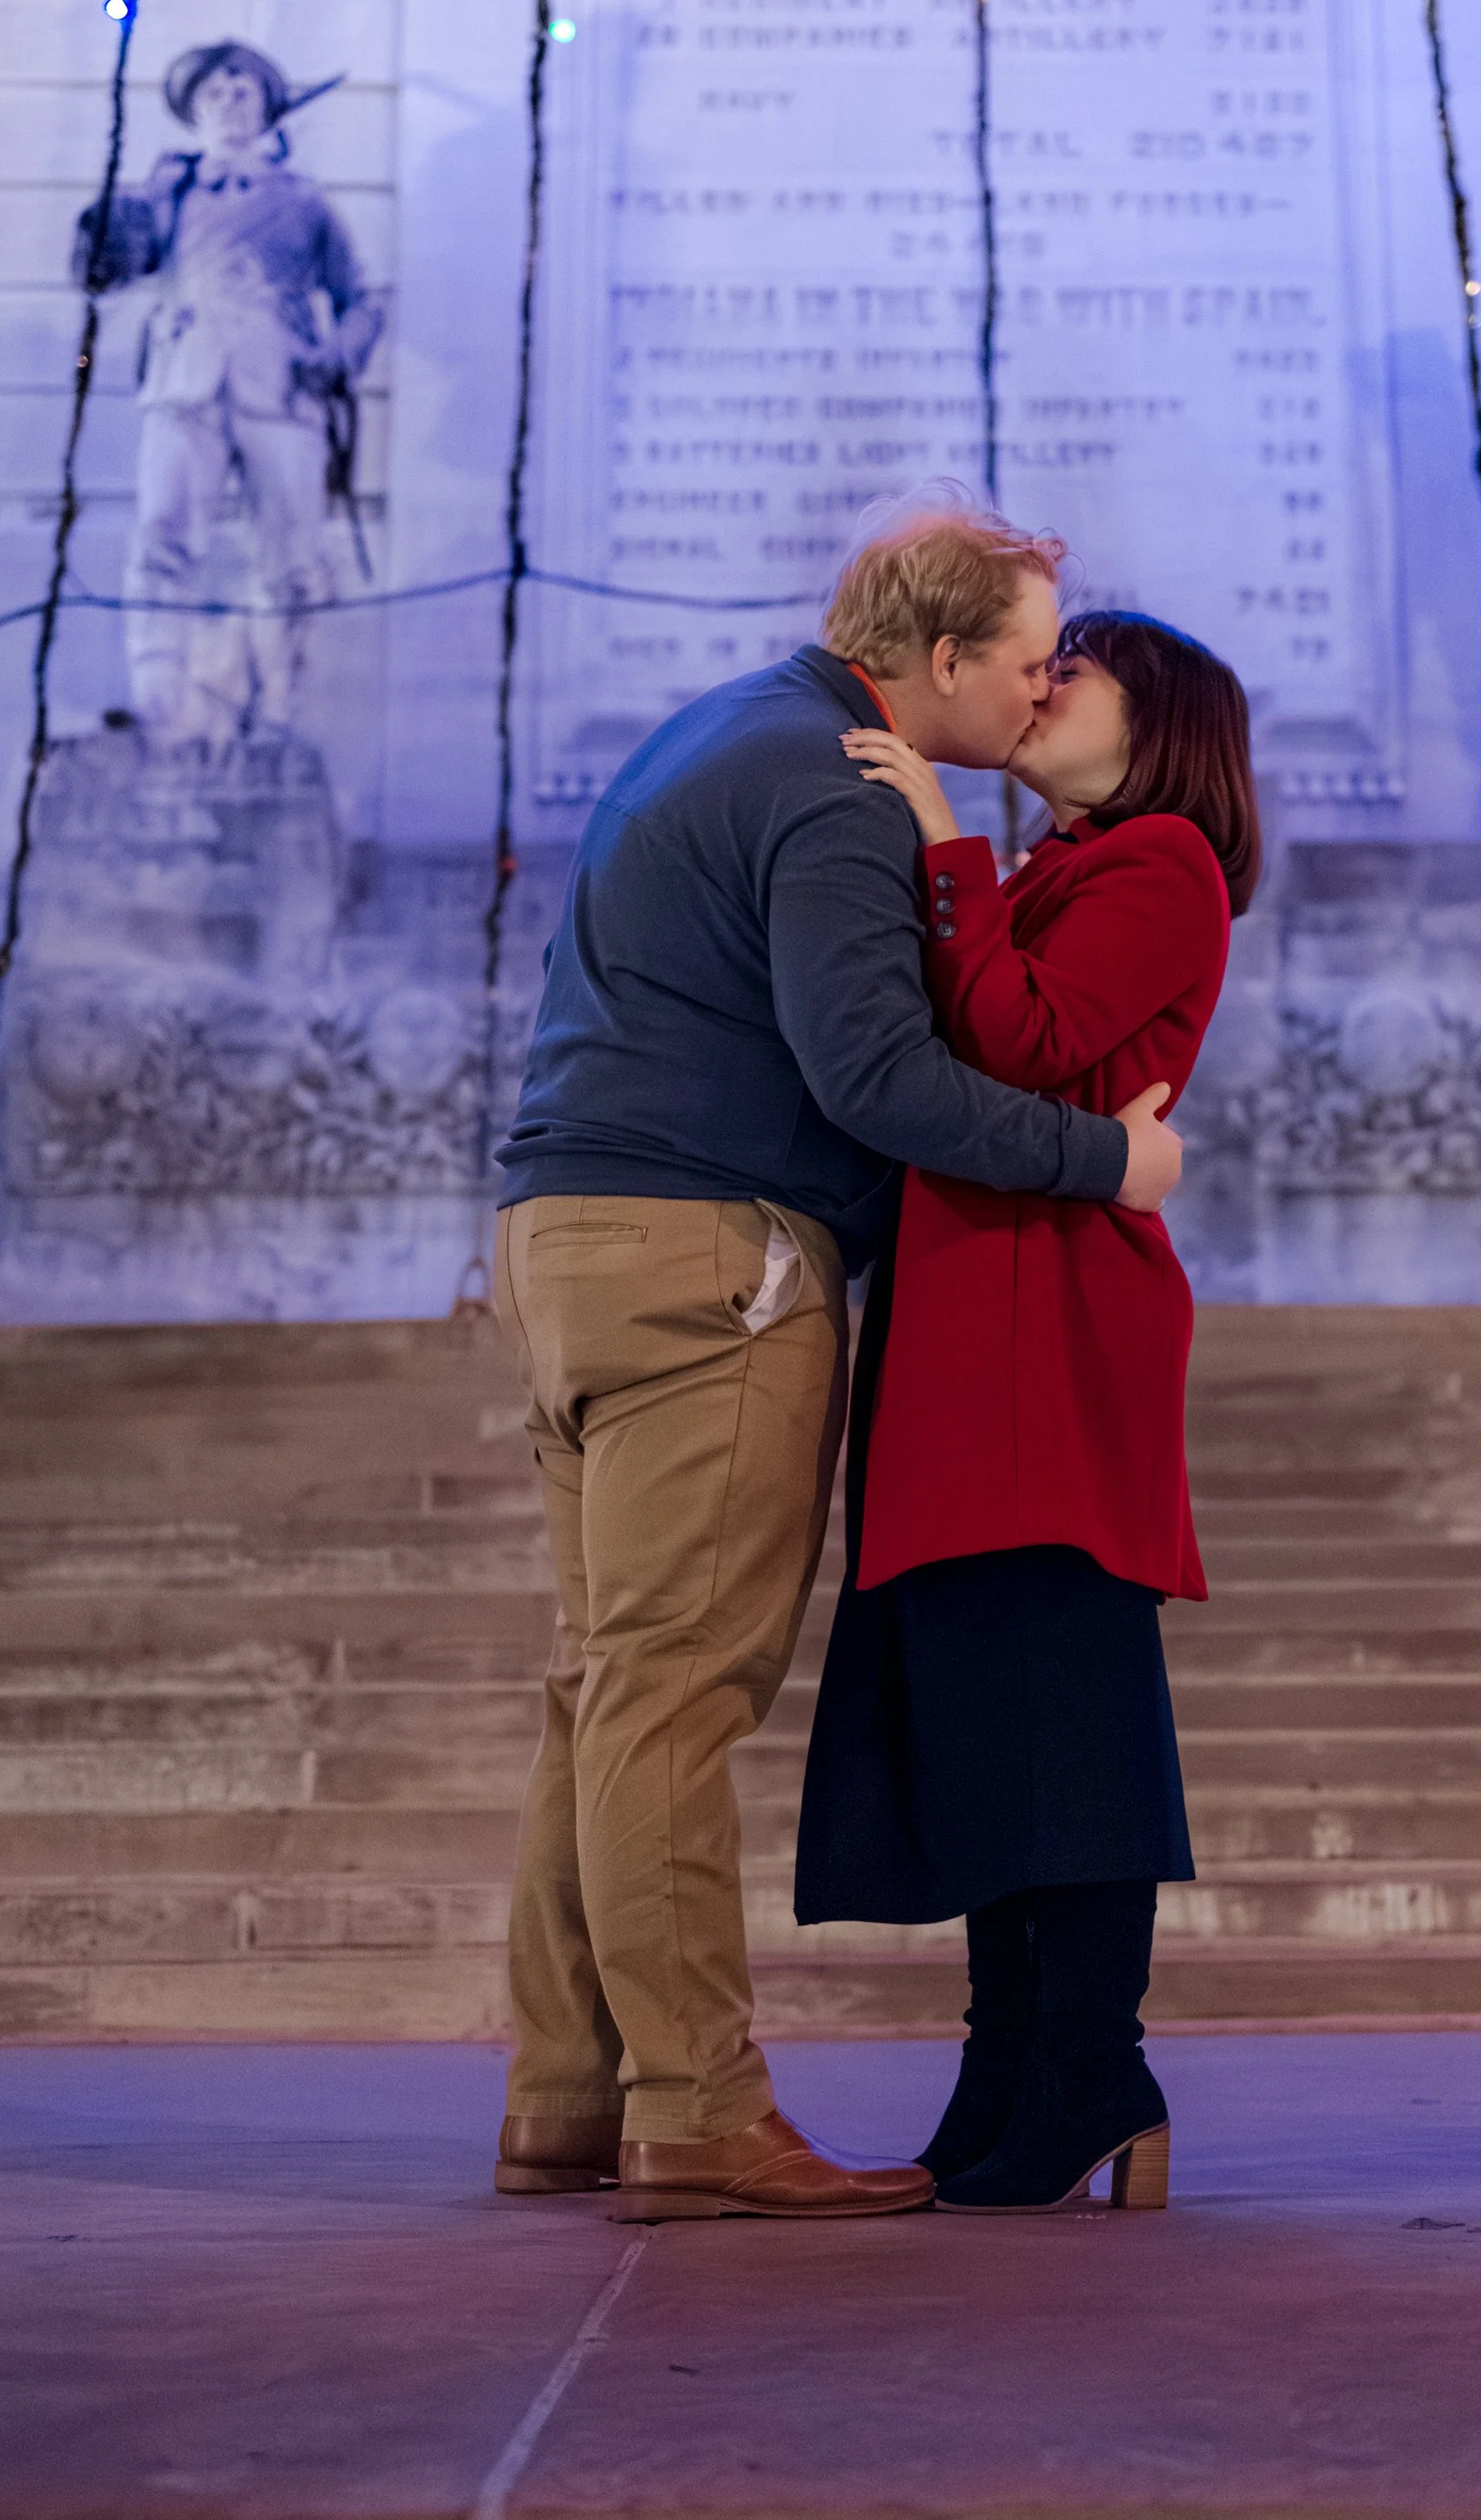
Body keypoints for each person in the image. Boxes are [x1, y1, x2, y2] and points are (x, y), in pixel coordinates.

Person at [489, 508, 1185, 2223]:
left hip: (564, 1235)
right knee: (671, 1689)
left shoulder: (718, 725)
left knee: (604, 1683)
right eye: (1029, 662)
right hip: (708, 1256)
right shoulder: (834, 785)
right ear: (940, 659)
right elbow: (878, 1076)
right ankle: (694, 2110)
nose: (1039, 697)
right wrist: (1109, 1166)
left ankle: (568, 2091)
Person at [795, 608, 1260, 2213]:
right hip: (976, 1299)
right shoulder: (1067, 868)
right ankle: (1014, 2068)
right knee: (1000, 1710)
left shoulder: (1164, 866)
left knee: (1065, 1697)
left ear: (1164, 721)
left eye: (1078, 671)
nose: (1042, 686)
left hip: (1051, 1313)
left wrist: (940, 838)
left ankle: (1092, 2064)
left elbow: (1020, 1039)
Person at [76, 40, 375, 741]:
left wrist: (334, 355)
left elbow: (360, 301)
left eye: (243, 94)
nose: (229, 105)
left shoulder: (304, 203)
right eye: (213, 94)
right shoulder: (168, 195)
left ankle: (279, 711)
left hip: (282, 387)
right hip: (185, 382)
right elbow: (108, 265)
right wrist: (117, 218)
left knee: (293, 560)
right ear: (193, 111)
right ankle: (157, 702)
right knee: (161, 541)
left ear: (268, 109)